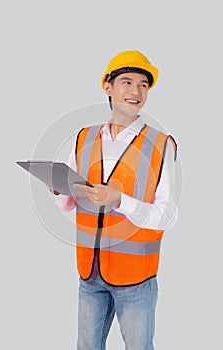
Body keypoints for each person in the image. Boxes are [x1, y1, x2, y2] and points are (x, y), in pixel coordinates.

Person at [49, 50, 178, 350]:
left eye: (144, 85)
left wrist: (120, 200)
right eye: (127, 82)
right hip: (89, 273)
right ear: (108, 87)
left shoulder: (160, 144)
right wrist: (58, 190)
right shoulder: (84, 138)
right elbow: (71, 202)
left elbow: (169, 216)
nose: (136, 91)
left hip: (136, 279)